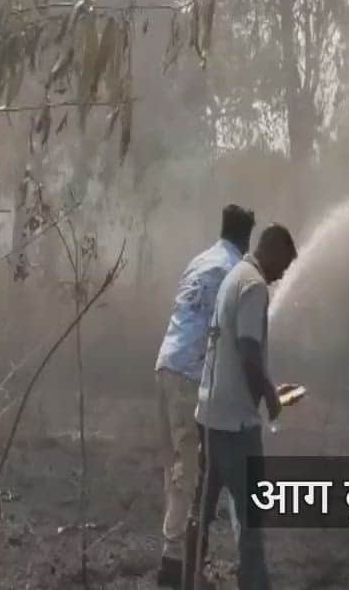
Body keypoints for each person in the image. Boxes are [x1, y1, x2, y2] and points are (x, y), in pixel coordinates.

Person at [183, 224, 297, 590]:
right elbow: (249, 350)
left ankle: (189, 579)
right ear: (273, 250)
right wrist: (270, 398)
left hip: (210, 415)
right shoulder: (254, 286)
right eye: (284, 265)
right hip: (235, 428)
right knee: (250, 522)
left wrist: (268, 387)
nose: (283, 275)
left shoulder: (235, 277)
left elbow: (237, 354)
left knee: (201, 511)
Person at [154, 204, 255, 588]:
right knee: (190, 471)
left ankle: (178, 555)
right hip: (189, 376)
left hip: (166, 365)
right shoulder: (235, 273)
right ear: (246, 239)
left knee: (178, 467)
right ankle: (174, 562)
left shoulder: (200, 261)